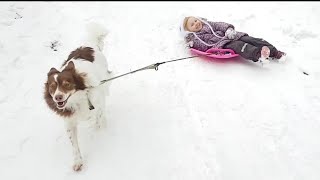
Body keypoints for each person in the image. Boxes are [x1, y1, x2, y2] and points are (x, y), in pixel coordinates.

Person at [180, 16, 286, 64]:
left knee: (252, 40)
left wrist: (228, 29)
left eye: (195, 20)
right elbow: (202, 46)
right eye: (192, 25)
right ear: (189, 30)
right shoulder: (196, 37)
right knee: (240, 46)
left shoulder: (208, 24)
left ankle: (275, 52)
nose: (196, 23)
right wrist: (192, 44)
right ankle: (259, 55)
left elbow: (220, 25)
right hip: (223, 45)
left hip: (231, 36)